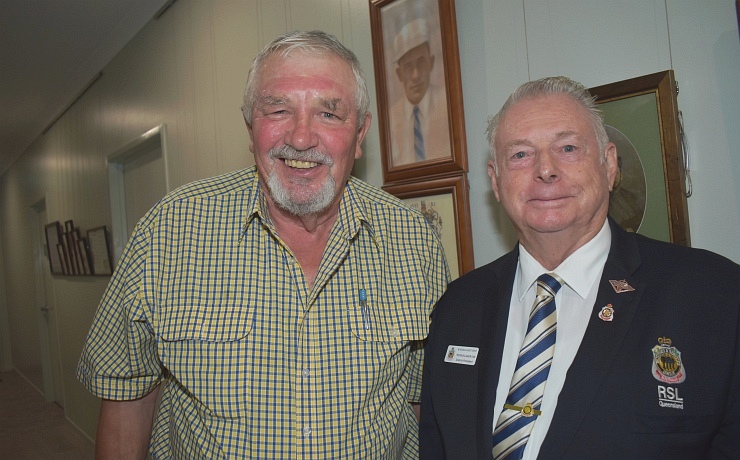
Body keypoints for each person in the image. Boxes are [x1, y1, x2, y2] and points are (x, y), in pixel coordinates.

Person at [77, 30, 449, 459]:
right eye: (278, 110)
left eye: (329, 113)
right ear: (250, 126)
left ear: (360, 132)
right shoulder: (169, 231)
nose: (302, 138)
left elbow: (425, 404)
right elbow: (126, 395)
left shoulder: (413, 239)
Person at [419, 76, 740, 459]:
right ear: (496, 181)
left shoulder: (714, 294)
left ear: (609, 164)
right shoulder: (458, 306)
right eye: (520, 154)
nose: (546, 169)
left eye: (568, 148)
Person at [389, 18, 451, 166]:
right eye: (408, 67)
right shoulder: (391, 118)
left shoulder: (448, 105)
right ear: (399, 74)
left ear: (431, 63)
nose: (416, 75)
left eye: (421, 62)